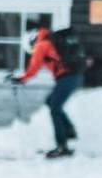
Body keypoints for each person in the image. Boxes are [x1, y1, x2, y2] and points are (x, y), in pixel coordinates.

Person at [17, 25, 84, 158]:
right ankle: (69, 130)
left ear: (32, 41)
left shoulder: (42, 45)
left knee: (55, 108)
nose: (33, 51)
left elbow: (33, 67)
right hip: (74, 76)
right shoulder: (50, 42)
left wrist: (21, 79)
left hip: (68, 78)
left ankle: (62, 146)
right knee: (50, 102)